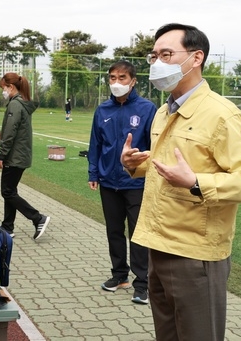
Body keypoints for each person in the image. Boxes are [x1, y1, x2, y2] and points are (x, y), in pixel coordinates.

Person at [121, 23, 241, 341]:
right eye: (153, 56)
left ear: (196, 58)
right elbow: (177, 162)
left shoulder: (222, 115)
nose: (156, 62)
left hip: (195, 254)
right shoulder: (164, 111)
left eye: (166, 54)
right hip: (157, 243)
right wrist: (137, 165)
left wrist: (196, 183)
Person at [87, 60, 156, 304]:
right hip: (108, 182)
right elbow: (95, 144)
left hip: (136, 183)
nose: (117, 83)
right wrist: (93, 173)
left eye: (122, 78)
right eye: (113, 78)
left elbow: (154, 146)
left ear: (133, 81)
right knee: (114, 231)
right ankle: (119, 275)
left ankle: (142, 284)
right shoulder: (103, 110)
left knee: (137, 234)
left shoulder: (147, 108)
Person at [0, 72, 50, 240]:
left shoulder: (15, 105)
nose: (3, 92)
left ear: (11, 87)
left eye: (3, 88)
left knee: (7, 192)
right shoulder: (22, 103)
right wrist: (2, 133)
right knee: (10, 191)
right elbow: (15, 129)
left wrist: (1, 155)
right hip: (20, 154)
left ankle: (38, 218)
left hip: (14, 157)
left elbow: (11, 133)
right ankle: (7, 227)